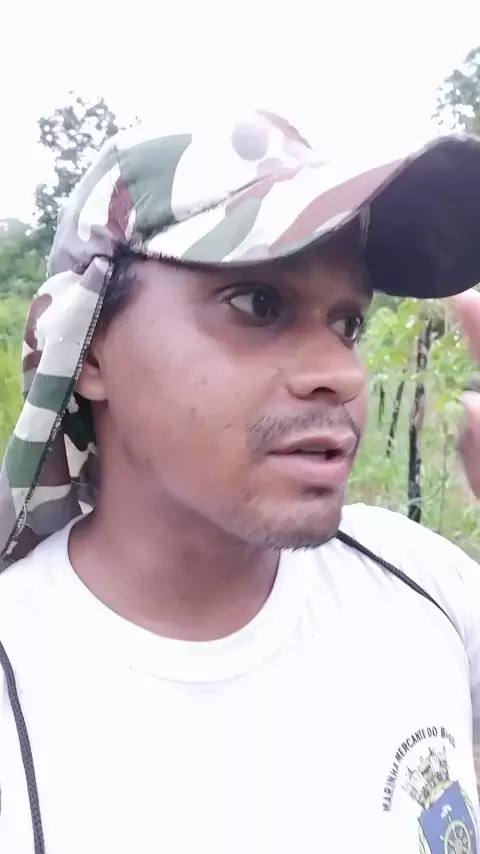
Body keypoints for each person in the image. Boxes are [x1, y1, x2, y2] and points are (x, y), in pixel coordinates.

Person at [2, 108, 480, 854]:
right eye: (259, 304)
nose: (343, 374)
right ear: (87, 349)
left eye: (347, 324)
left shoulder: (424, 583)